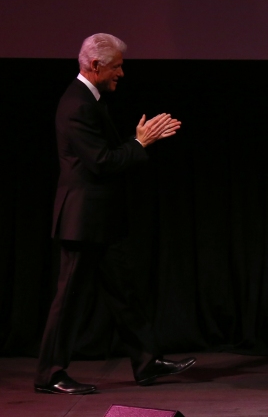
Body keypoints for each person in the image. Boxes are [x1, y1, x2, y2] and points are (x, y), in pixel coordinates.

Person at [34, 33, 196, 395]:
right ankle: (49, 374)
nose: (121, 73)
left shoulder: (90, 101)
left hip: (100, 220)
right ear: (95, 66)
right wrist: (140, 143)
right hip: (82, 221)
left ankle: (146, 361)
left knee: (124, 292)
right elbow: (102, 163)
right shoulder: (76, 104)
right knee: (68, 302)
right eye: (117, 66)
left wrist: (137, 143)